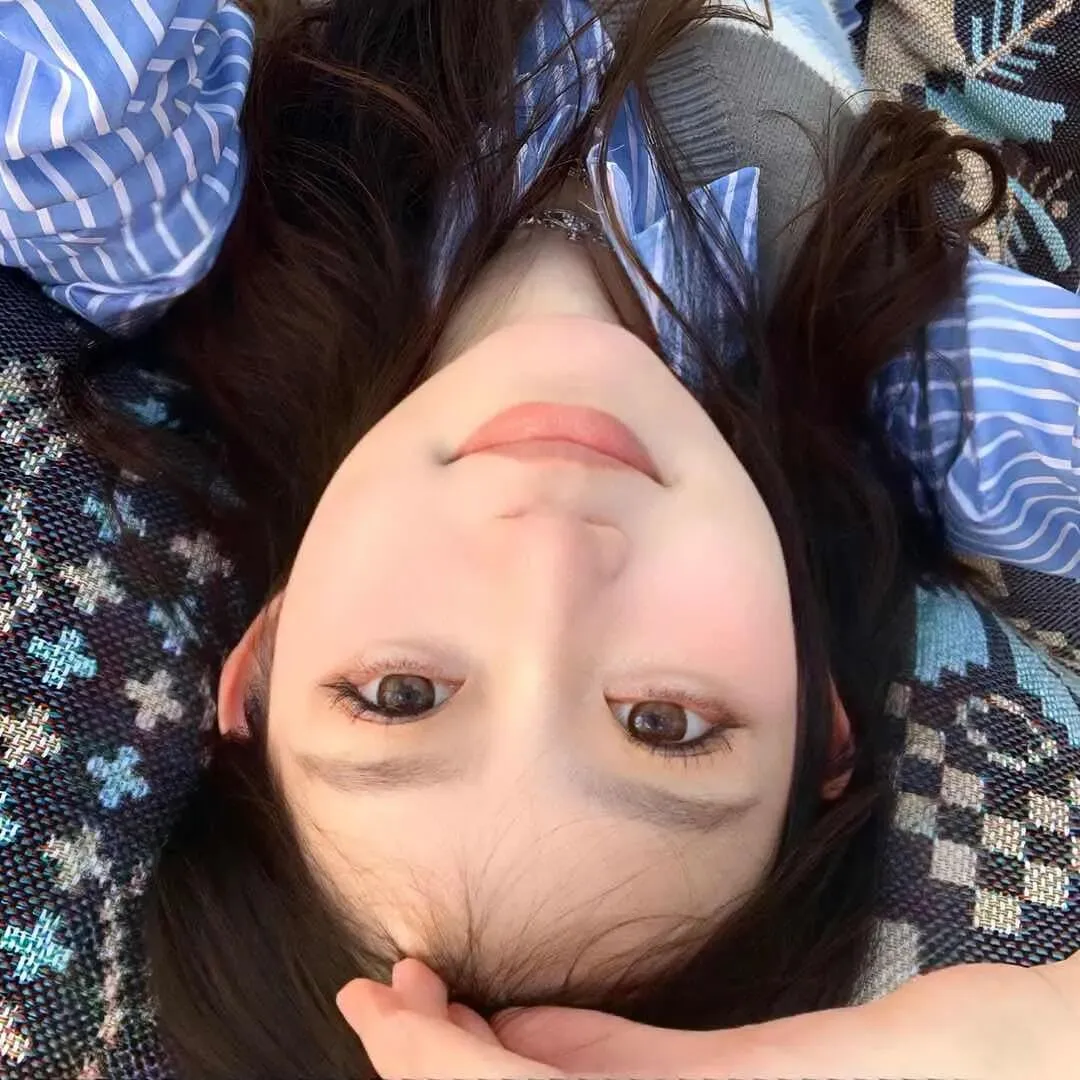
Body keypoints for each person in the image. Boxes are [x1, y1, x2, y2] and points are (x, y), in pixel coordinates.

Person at [3, 0, 1078, 1078]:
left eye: (402, 695)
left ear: (264, 657)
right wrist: (1008, 1039)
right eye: (663, 722)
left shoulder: (159, 225)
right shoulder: (905, 370)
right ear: (822, 717)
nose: (550, 557)